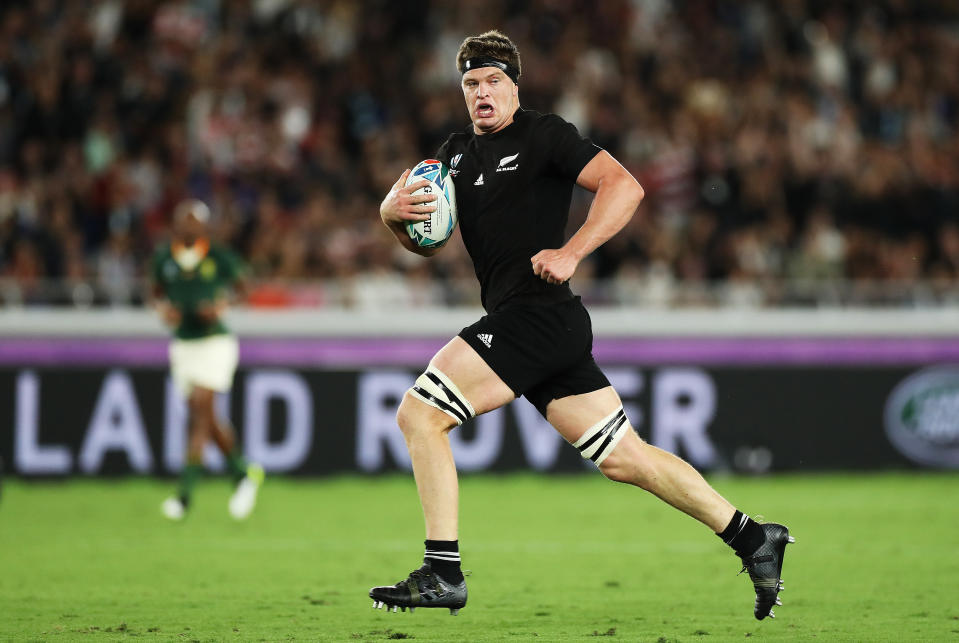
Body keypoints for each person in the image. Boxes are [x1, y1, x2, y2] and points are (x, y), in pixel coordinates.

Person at [369, 30, 793, 620]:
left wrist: (573, 251)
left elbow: (626, 186)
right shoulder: (453, 154)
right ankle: (752, 537)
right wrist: (391, 217)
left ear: (514, 86)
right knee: (626, 457)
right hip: (540, 324)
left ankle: (443, 570)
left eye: (493, 81)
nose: (482, 93)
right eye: (471, 84)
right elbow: (423, 243)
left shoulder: (544, 135)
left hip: (536, 315)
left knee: (420, 415)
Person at [151, 199, 263, 521]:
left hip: (215, 342)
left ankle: (184, 497)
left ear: (202, 225)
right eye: (183, 220)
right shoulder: (165, 257)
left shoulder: (217, 255)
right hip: (183, 345)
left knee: (200, 411)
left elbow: (244, 286)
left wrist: (221, 306)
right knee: (207, 415)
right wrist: (163, 310)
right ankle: (242, 474)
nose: (188, 226)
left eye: (193, 221)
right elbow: (155, 291)